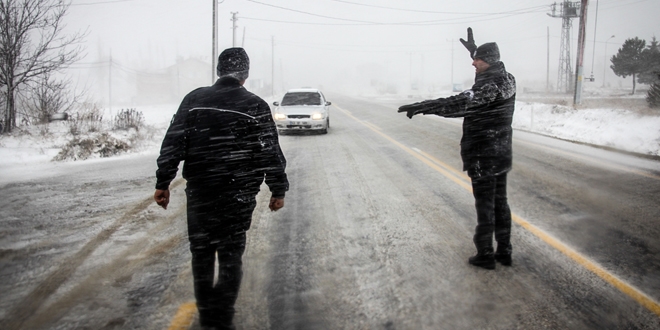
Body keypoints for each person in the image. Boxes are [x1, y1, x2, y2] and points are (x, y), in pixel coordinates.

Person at [154, 47, 289, 329]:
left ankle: (206, 313)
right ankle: (223, 314)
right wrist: (278, 189)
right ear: (246, 74)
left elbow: (174, 142)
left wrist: (163, 182)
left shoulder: (195, 99)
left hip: (201, 192)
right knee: (230, 254)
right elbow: (269, 151)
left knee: (201, 253)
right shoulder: (255, 106)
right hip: (238, 195)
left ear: (218, 71)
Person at [397, 28, 515, 270]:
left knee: (486, 205)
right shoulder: (507, 78)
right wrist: (475, 50)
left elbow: (462, 102)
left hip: (484, 153)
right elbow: (484, 76)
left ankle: (485, 253)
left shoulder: (490, 86)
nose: (473, 63)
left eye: (477, 60)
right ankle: (504, 250)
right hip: (500, 152)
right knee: (500, 202)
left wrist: (424, 106)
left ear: (489, 61)